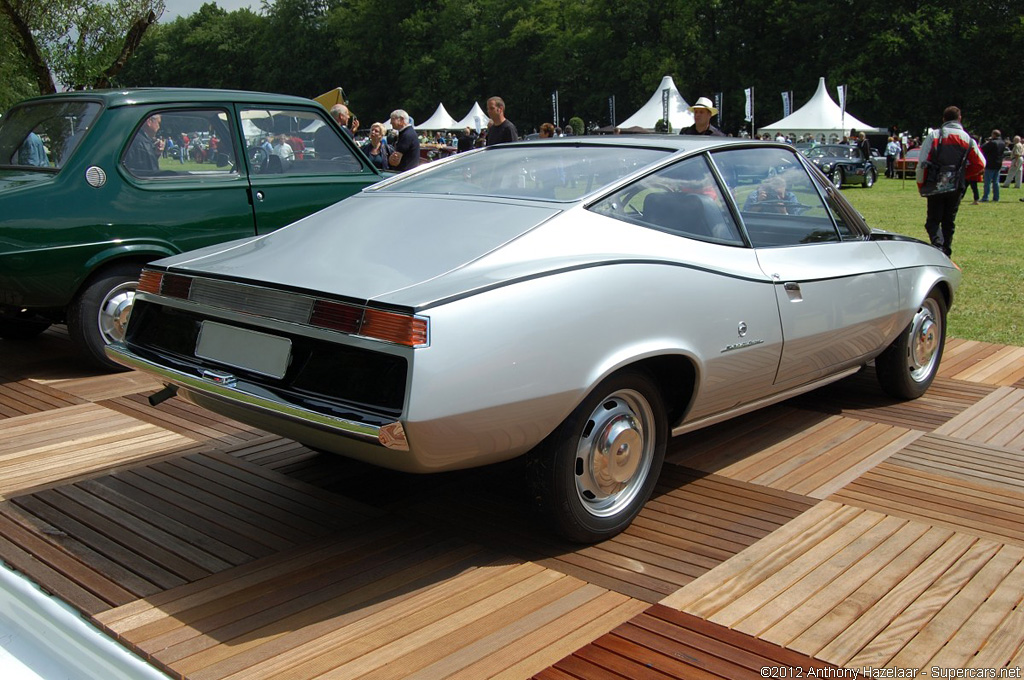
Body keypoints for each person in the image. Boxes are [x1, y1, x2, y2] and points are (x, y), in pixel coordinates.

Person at [916, 106, 985, 256]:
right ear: (959, 119)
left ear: (943, 119)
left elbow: (922, 162)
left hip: (935, 183)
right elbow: (981, 164)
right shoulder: (968, 139)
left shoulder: (935, 135)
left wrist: (921, 184)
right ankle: (946, 250)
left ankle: (938, 245)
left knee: (933, 220)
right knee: (949, 220)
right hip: (956, 185)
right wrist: (964, 175)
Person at [979, 129, 1004, 202]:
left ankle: (985, 197)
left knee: (987, 182)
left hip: (990, 163)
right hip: (998, 163)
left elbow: (982, 148)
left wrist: (987, 142)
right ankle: (996, 197)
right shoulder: (1002, 142)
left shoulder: (992, 143)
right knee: (996, 182)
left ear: (994, 135)